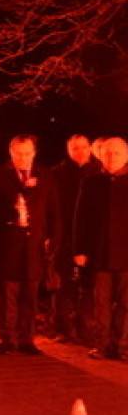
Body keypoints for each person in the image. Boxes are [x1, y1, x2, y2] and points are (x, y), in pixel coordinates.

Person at [0, 135, 60, 355]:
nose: (23, 158)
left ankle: (27, 339)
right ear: (11, 153)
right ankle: (8, 339)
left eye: (27, 153)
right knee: (9, 295)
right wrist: (9, 214)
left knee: (30, 296)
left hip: (34, 248)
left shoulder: (45, 176)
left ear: (34, 153)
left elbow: (54, 212)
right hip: (8, 247)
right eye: (18, 153)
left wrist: (53, 240)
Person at [73, 137, 128, 360]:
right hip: (100, 252)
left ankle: (123, 345)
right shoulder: (92, 181)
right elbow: (81, 217)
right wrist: (79, 249)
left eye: (116, 153)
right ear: (101, 155)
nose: (112, 157)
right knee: (101, 302)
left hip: (126, 253)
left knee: (126, 303)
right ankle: (102, 344)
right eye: (108, 153)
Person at [52, 135, 100, 342]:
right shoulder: (58, 173)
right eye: (74, 148)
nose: (79, 152)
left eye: (82, 147)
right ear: (68, 150)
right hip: (64, 236)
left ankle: (86, 329)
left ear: (90, 148)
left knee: (90, 286)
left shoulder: (100, 172)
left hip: (92, 238)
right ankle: (63, 328)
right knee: (64, 284)